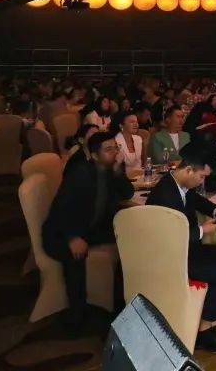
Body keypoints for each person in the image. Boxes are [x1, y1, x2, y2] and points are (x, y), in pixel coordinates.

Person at [145, 143, 216, 353]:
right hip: (170, 256)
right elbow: (171, 237)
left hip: (183, 249)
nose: (202, 181)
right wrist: (202, 230)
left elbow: (196, 200)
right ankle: (204, 331)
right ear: (188, 170)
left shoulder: (178, 184)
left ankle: (208, 312)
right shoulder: (166, 195)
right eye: (201, 177)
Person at [41, 132, 133, 329]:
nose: (115, 152)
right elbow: (60, 210)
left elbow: (127, 193)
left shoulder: (109, 170)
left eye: (116, 147)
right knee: (75, 257)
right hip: (61, 233)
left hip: (90, 229)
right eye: (108, 149)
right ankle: (77, 315)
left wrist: (118, 172)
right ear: (94, 155)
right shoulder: (80, 174)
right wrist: (72, 237)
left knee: (129, 242)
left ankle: (121, 304)